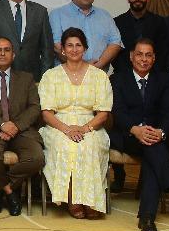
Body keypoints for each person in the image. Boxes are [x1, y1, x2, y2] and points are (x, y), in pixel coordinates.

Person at [107, 38, 169, 231]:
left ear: (154, 59)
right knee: (154, 150)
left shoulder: (164, 79)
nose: (143, 59)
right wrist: (135, 129)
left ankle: (147, 218)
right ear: (131, 56)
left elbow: (168, 112)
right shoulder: (117, 79)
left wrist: (160, 132)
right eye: (139, 54)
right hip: (129, 136)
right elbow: (117, 111)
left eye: (148, 55)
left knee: (152, 153)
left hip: (156, 137)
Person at [38, 27, 113, 219]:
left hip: (91, 125)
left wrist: (85, 128)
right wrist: (66, 129)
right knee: (67, 145)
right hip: (58, 126)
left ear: (85, 48)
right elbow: (46, 113)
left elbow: (103, 113)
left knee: (89, 145)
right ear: (62, 49)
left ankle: (91, 200)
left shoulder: (99, 76)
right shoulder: (51, 75)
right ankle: (73, 198)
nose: (74, 49)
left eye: (78, 45)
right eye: (69, 45)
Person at [0, 37, 44, 216]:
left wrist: (15, 126)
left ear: (13, 55)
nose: (2, 53)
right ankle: (11, 193)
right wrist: (2, 125)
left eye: (7, 50)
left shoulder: (27, 78)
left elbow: (35, 107)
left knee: (36, 158)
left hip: (22, 131)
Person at [49, 0, 122, 70]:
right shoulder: (57, 14)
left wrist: (97, 66)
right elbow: (57, 46)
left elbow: (115, 42)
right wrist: (82, 66)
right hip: (66, 75)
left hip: (98, 73)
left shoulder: (105, 15)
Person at [111, 0, 167, 76]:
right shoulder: (116, 22)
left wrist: (151, 74)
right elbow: (115, 53)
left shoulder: (159, 22)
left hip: (154, 76)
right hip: (124, 76)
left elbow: (163, 52)